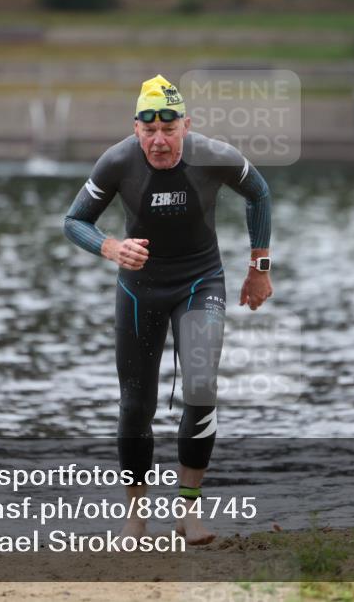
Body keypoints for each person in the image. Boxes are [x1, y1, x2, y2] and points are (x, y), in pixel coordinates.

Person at [63, 75, 273, 545]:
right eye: (149, 130)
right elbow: (74, 221)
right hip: (140, 289)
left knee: (200, 386)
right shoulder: (117, 161)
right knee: (137, 404)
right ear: (136, 129)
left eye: (169, 129)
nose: (159, 141)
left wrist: (259, 268)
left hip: (201, 281)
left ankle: (189, 513)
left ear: (186, 125)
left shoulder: (213, 155)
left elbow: (259, 193)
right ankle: (135, 516)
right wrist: (111, 247)